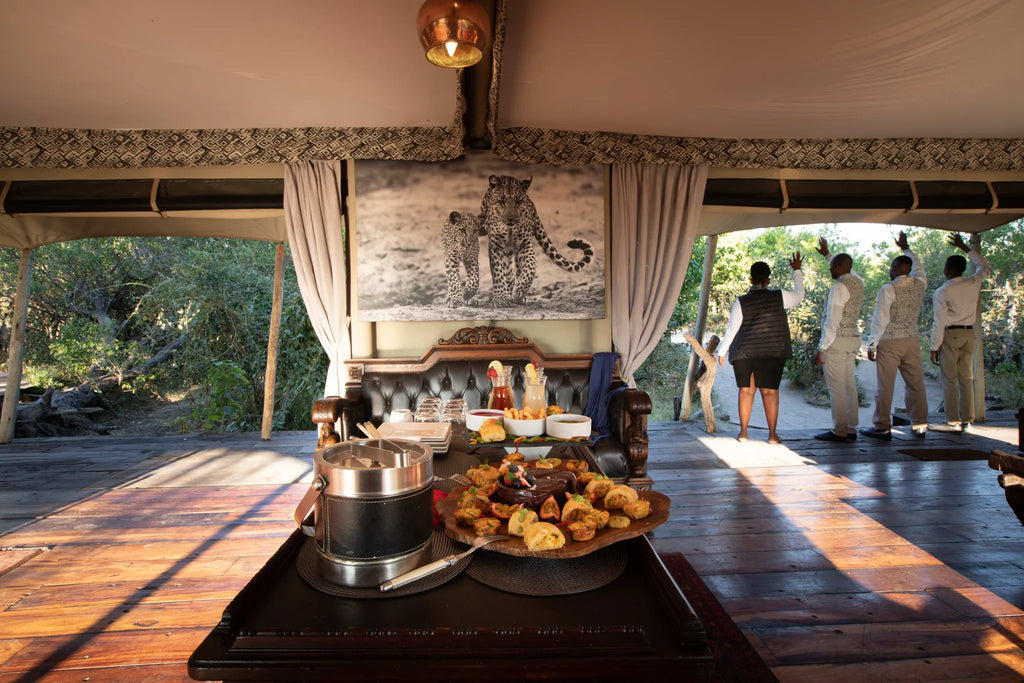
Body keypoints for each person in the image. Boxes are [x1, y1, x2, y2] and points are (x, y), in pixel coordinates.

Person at [717, 253, 804, 444]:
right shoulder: (780, 297)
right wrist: (797, 269)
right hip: (772, 352)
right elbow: (799, 296)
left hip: (745, 353)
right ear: (768, 280)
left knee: (746, 391)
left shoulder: (741, 301)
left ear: (750, 279)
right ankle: (772, 435)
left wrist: (722, 352)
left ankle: (743, 434)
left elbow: (732, 329)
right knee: (770, 392)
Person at [862, 231, 928, 440]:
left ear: (894, 269)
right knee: (915, 382)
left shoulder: (888, 289)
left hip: (890, 340)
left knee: (885, 385)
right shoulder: (920, 284)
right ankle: (920, 424)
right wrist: (906, 248)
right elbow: (919, 267)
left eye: (891, 267)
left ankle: (882, 425)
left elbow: (880, 319)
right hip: (912, 340)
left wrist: (872, 345)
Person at [929, 232, 991, 433]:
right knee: (967, 377)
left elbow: (939, 323)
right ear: (963, 269)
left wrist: (934, 347)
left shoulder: (943, 292)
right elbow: (985, 266)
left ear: (946, 270)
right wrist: (965, 247)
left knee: (949, 378)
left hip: (951, 334)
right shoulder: (973, 283)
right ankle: (968, 419)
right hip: (969, 334)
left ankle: (952, 420)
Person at [812, 238, 865, 442]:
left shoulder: (839, 288)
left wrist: (822, 347)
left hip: (838, 341)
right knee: (849, 384)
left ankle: (839, 429)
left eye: (833, 266)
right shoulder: (858, 282)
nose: (831, 269)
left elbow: (832, 321)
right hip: (853, 339)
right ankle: (851, 427)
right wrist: (828, 255)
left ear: (840, 267)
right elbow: (848, 268)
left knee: (837, 388)